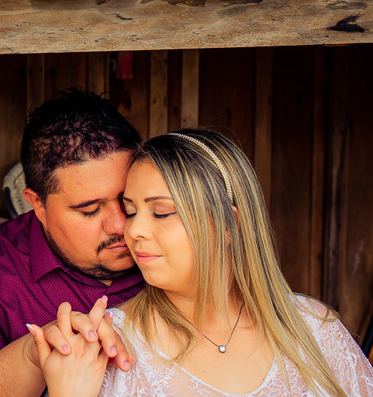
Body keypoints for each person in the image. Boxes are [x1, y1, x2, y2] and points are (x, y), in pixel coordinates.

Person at [28, 129, 373, 397]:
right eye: (131, 210)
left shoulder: (314, 329)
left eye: (161, 212)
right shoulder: (109, 350)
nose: (133, 229)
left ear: (228, 224)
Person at [0, 90, 145, 397]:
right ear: (37, 205)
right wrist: (33, 354)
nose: (121, 224)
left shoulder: (180, 237)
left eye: (127, 199)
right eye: (90, 210)